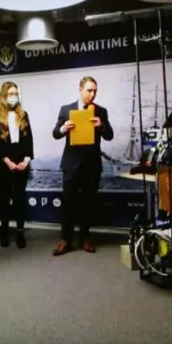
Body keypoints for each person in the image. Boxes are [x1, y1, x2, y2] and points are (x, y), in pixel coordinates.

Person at [51, 76, 113, 256]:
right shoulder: (66, 109)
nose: (93, 94)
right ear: (80, 90)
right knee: (68, 204)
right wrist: (64, 128)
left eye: (95, 91)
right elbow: (55, 133)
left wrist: (101, 125)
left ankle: (85, 237)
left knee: (88, 204)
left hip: (91, 165)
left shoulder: (101, 111)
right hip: (71, 165)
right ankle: (66, 240)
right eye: (89, 90)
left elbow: (109, 135)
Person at [0, 81, 34, 249]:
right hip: (4, 163)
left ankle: (20, 232)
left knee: (19, 198)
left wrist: (26, 160)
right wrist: (8, 162)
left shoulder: (24, 114)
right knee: (3, 199)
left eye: (16, 94)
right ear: (3, 96)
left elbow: (29, 139)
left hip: (21, 162)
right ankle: (4, 232)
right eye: (10, 94)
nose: (14, 97)